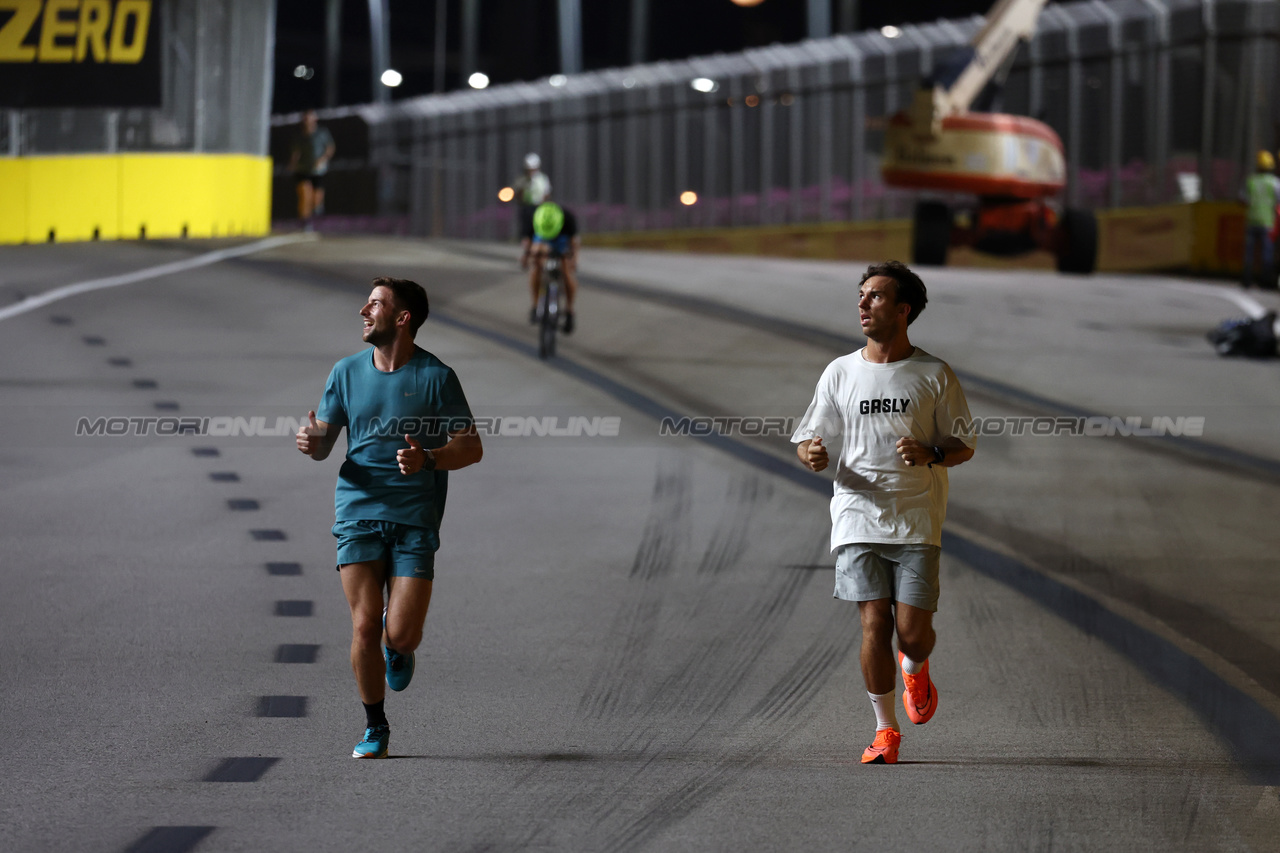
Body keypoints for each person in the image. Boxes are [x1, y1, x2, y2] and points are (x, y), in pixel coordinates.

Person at [791, 260, 975, 765]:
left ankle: (915, 666)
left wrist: (933, 453)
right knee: (874, 622)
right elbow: (809, 436)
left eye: (875, 297)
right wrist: (811, 453)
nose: (863, 304)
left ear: (903, 310)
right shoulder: (841, 370)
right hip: (855, 515)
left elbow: (963, 444)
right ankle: (885, 730)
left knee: (912, 632)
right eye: (861, 295)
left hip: (916, 519)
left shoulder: (934, 374)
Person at [295, 277, 483, 758]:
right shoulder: (346, 372)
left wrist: (430, 459)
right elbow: (324, 444)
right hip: (357, 509)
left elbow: (471, 446)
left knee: (398, 633)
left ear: (402, 318)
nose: (363, 309)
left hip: (415, 516)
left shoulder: (437, 378)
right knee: (363, 626)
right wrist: (312, 442)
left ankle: (399, 647)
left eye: (375, 304)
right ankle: (375, 726)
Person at [527, 200, 580, 334]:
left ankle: (569, 311)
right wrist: (531, 257)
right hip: (542, 239)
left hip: (562, 240)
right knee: (536, 269)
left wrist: (572, 260)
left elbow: (574, 245)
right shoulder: (535, 219)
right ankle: (535, 305)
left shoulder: (568, 219)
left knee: (567, 273)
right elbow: (530, 246)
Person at [289, 110, 336, 230]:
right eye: (305, 118)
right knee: (305, 195)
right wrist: (293, 163)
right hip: (303, 169)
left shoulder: (322, 133)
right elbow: (296, 152)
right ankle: (305, 222)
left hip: (317, 171)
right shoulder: (300, 136)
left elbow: (330, 148)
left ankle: (317, 210)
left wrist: (322, 159)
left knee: (316, 199)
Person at [1242, 150, 1280, 290]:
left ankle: (1246, 279)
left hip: (1251, 221)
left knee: (1249, 253)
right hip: (1267, 223)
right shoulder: (1275, 183)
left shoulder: (1251, 181)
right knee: (1266, 252)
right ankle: (1265, 280)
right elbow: (1279, 201)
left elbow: (1243, 199)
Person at [515, 153, 552, 268]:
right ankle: (527, 256)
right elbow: (518, 193)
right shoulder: (522, 180)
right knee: (527, 234)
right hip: (527, 208)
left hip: (539, 208)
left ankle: (536, 255)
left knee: (538, 233)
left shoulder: (543, 179)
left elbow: (546, 194)